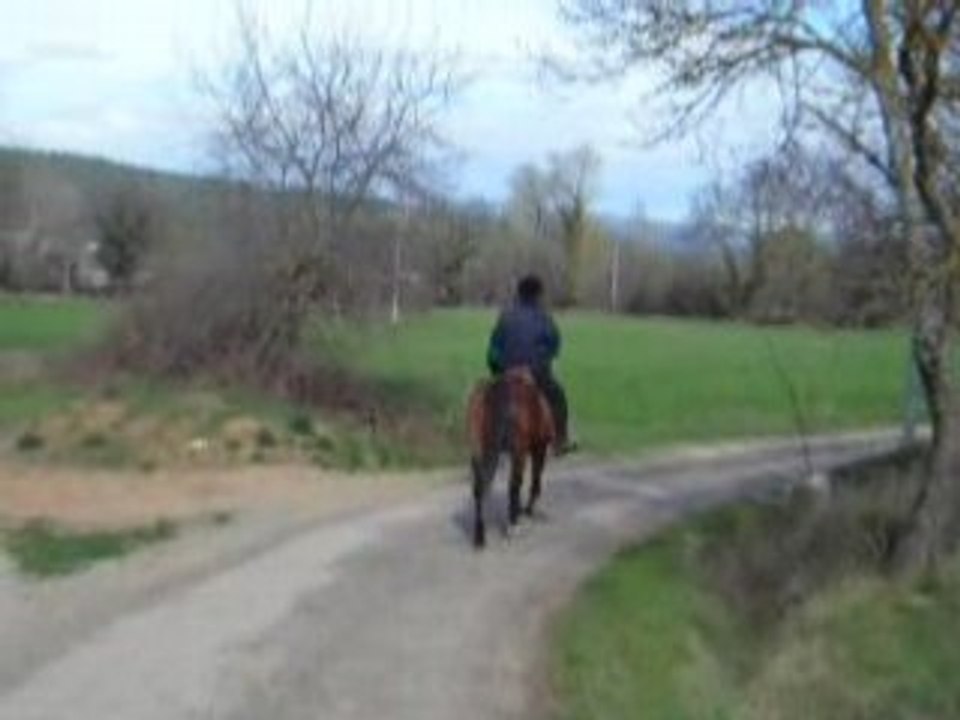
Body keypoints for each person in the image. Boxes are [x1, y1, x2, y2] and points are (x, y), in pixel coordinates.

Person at [486, 274, 576, 455]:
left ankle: (493, 437)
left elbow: (494, 347)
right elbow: (554, 344)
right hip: (535, 372)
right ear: (538, 295)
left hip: (508, 370)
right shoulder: (544, 317)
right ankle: (560, 440)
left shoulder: (505, 315)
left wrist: (496, 370)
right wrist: (546, 360)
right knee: (558, 397)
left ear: (518, 293)